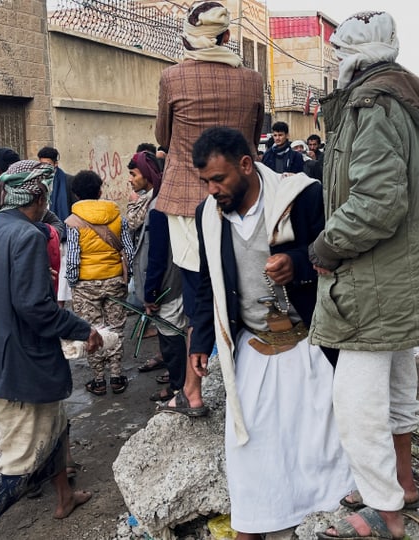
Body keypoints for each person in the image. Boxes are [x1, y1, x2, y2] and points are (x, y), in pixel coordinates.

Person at [171, 127, 353, 538]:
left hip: (310, 343)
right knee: (250, 448)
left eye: (219, 179)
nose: (213, 189)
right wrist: (200, 342)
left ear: (247, 165)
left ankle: (319, 520)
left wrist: (297, 265)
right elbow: (205, 284)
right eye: (206, 182)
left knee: (320, 444)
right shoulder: (209, 216)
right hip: (253, 345)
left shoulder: (300, 197)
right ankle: (256, 524)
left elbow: (340, 257)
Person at [308, 12, 419, 540]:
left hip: (374, 283)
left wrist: (326, 246)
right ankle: (404, 486)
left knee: (358, 407)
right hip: (399, 280)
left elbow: (378, 201)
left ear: (351, 55)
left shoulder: (372, 105)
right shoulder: (399, 99)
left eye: (337, 50)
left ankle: (384, 513)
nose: (333, 60)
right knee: (397, 389)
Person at [0, 163, 99, 539]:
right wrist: (85, 330)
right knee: (19, 455)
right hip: (18, 361)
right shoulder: (29, 236)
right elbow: (36, 308)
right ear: (39, 197)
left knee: (56, 424)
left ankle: (64, 498)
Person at [154, 1, 264, 414]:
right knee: (243, 285)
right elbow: (255, 136)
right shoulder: (252, 80)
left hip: (186, 198)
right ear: (228, 38)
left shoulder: (172, 77)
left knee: (200, 293)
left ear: (187, 38)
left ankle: (193, 391)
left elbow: (163, 135)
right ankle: (250, 383)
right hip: (241, 194)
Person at [127, 152, 187, 402]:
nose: (130, 179)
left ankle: (178, 386)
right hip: (169, 283)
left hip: (166, 286)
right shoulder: (155, 202)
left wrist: (151, 293)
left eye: (133, 174)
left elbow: (157, 254)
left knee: (171, 337)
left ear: (148, 174)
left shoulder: (159, 207)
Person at [65, 171, 129, 396]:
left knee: (92, 330)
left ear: (75, 194)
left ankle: (99, 380)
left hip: (85, 285)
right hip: (114, 281)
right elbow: (127, 250)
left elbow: (73, 257)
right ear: (100, 191)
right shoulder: (117, 216)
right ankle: (117, 377)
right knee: (116, 327)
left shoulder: (72, 221)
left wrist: (73, 282)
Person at [37, 146, 73, 221]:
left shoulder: (68, 181)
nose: (44, 168)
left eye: (48, 164)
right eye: (42, 164)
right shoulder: (36, 180)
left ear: (55, 164)